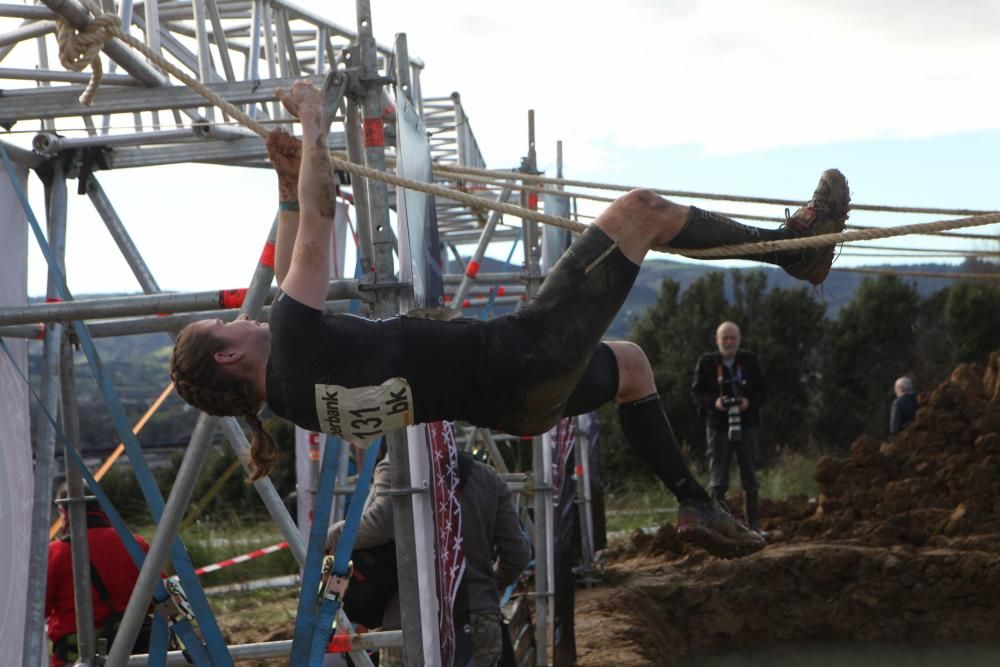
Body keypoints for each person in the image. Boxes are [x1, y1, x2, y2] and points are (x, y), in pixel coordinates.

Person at [169, 80, 851, 558]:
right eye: (226, 327)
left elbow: (299, 245)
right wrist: (314, 124)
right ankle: (799, 253)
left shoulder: (292, 396)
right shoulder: (287, 346)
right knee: (641, 208)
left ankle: (696, 503)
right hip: (523, 353)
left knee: (633, 367)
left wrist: (287, 184)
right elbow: (320, 227)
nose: (242, 320)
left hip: (517, 408)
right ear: (228, 357)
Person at [326, 450, 530, 667]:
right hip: (477, 616)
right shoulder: (487, 477)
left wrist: (330, 537)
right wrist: (490, 587)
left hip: (412, 622)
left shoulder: (398, 467)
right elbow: (518, 554)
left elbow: (382, 522)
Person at [45, 483, 151, 667]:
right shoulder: (135, 543)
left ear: (63, 511)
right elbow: (159, 597)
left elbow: (38, 609)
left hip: (76, 659)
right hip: (137, 654)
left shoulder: (56, 553)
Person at [692, 322, 767, 533]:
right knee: (718, 481)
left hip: (748, 425)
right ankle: (719, 528)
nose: (729, 342)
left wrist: (748, 402)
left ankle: (753, 527)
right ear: (717, 340)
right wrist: (714, 403)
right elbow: (696, 394)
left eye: (733, 338)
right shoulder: (707, 363)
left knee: (750, 478)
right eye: (725, 338)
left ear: (739, 340)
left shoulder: (749, 361)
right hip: (718, 427)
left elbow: (763, 391)